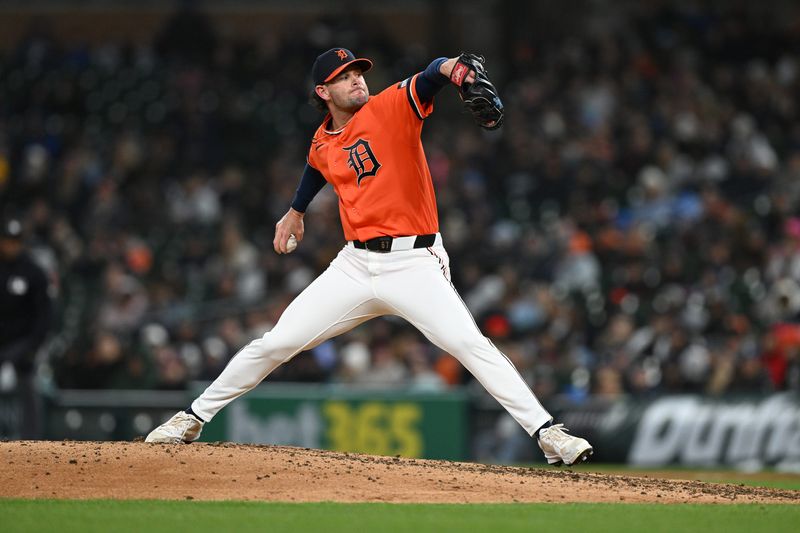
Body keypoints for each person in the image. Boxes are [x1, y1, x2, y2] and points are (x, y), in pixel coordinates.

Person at [146, 48, 593, 466]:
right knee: (278, 342)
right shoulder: (323, 140)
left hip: (414, 261)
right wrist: (295, 211)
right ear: (324, 92)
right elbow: (318, 163)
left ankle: (548, 433)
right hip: (356, 265)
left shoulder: (389, 107)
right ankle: (192, 417)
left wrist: (457, 71)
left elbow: (430, 74)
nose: (357, 80)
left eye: (358, 72)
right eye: (344, 77)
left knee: (468, 344)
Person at [0, 215, 53, 438]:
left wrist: (32, 347)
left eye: (15, 241)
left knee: (29, 386)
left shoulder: (33, 272)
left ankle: (30, 441)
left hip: (23, 344)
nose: (11, 245)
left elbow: (45, 316)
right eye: (7, 240)